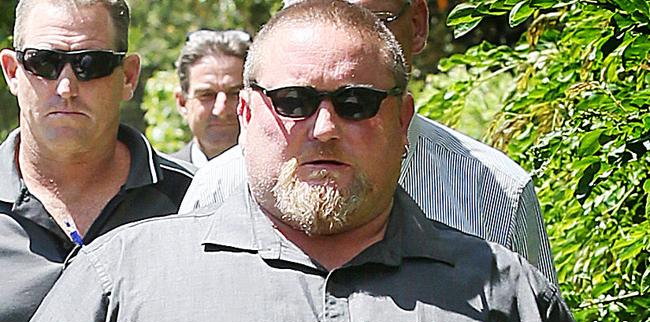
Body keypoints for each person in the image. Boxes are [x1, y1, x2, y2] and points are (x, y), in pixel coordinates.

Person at [5, 1, 589, 322]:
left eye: (357, 103)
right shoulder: (120, 279)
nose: (325, 128)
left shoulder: (506, 295)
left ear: (403, 119)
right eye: (293, 101)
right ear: (248, 113)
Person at [179, 0, 559, 283]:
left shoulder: (496, 193)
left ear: (418, 25)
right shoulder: (218, 187)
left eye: (373, 19)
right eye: (320, 15)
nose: (342, 38)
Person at [0, 0, 194, 322]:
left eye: (91, 64)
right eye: (44, 62)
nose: (65, 88)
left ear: (129, 77)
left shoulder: (194, 204)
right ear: (13, 71)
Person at [171, 29, 251, 168]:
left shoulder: (284, 179)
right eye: (206, 95)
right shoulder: (160, 182)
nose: (221, 110)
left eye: (234, 94)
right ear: (182, 103)